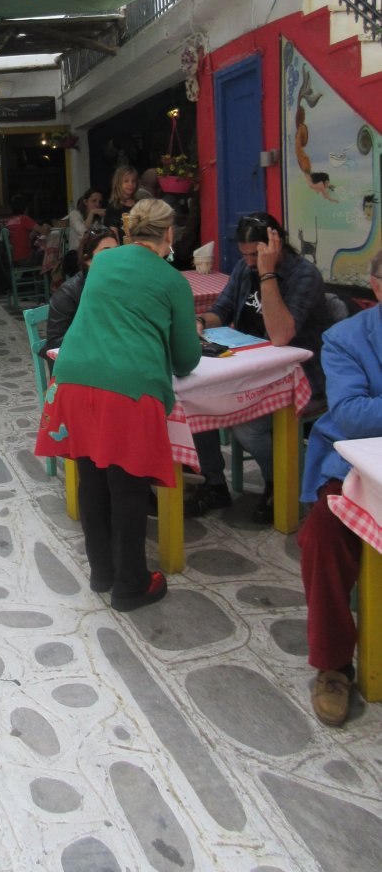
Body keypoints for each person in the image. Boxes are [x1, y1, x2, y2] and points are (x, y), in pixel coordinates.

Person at [36, 199, 202, 611]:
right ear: (169, 234)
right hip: (127, 386)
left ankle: (103, 572)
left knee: (92, 477)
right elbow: (186, 358)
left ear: (129, 232)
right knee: (128, 486)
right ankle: (130, 585)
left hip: (73, 377)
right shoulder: (173, 280)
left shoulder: (104, 262)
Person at [185, 211, 329, 521]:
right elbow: (222, 309)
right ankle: (214, 484)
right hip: (249, 370)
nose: (249, 261)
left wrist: (267, 274)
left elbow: (280, 335)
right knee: (194, 399)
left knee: (247, 427)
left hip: (298, 378)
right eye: (245, 255)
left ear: (275, 244)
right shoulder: (243, 268)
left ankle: (280, 483)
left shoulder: (303, 275)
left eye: (255, 255)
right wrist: (200, 321)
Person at [298, 249, 382, 726]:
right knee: (322, 535)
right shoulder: (347, 338)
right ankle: (333, 665)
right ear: (377, 287)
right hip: (354, 464)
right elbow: (350, 414)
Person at [44, 227, 119, 357]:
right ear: (87, 260)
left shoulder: (118, 285)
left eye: (117, 251)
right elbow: (54, 343)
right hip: (78, 360)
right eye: (106, 252)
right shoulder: (68, 293)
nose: (115, 257)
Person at [5, 193, 49, 266]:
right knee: (48, 252)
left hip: (15, 261)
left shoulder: (9, 221)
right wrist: (46, 226)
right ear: (25, 208)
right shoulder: (24, 219)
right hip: (26, 259)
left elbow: (20, 238)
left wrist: (32, 234)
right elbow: (45, 232)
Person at [104, 165, 140, 238]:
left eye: (133, 181)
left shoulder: (140, 204)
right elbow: (114, 233)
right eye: (126, 181)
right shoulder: (113, 207)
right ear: (118, 183)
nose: (130, 184)